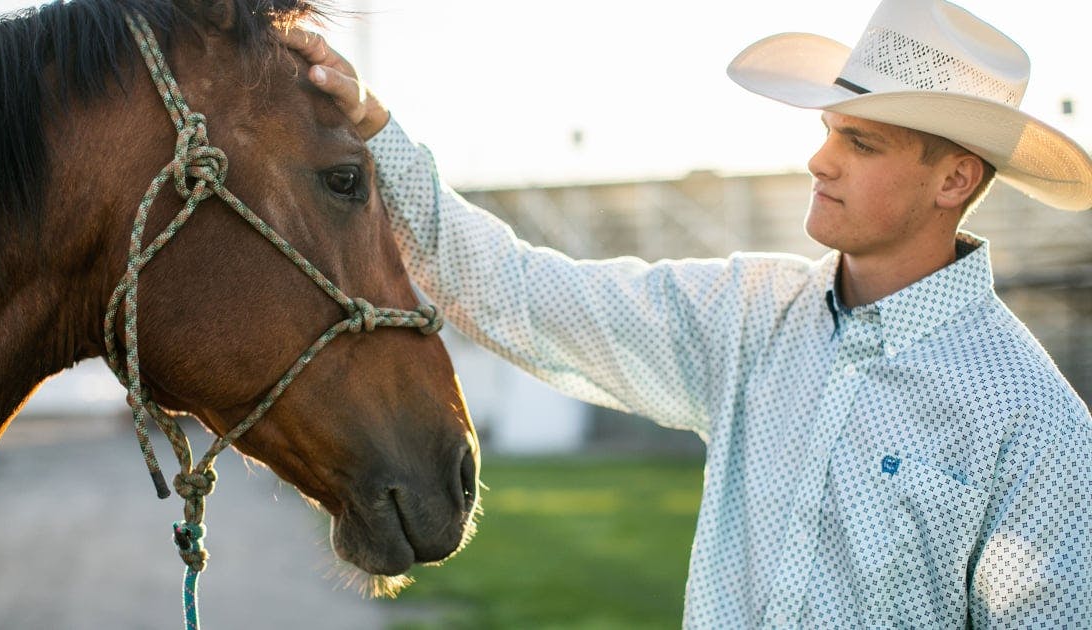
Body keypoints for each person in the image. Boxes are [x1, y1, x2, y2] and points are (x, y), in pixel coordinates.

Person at [284, 0, 1092, 626]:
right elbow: (519, 290)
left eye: (863, 144)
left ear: (953, 180)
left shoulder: (1031, 423)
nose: (820, 159)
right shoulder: (746, 315)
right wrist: (374, 128)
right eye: (829, 131)